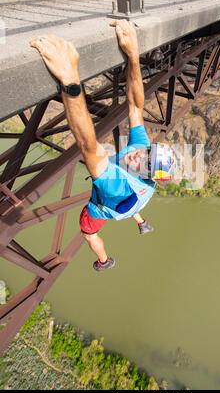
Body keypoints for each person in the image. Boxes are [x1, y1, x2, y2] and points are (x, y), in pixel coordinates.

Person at [30, 20, 178, 272]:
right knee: (130, 199)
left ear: (148, 173)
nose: (140, 155)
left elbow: (87, 145)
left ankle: (104, 261)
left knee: (88, 233)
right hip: (135, 199)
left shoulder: (116, 185)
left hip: (104, 208)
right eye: (148, 152)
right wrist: (133, 55)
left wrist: (70, 81)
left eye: (146, 163)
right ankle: (141, 221)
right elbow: (135, 106)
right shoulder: (141, 154)